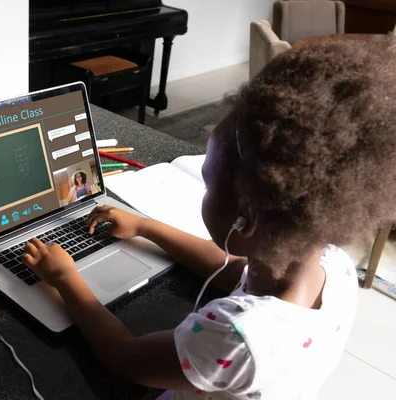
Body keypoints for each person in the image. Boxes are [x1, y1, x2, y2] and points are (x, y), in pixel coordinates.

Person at [24, 37, 396, 399]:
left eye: (207, 184)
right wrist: (146, 227)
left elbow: (124, 358)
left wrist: (65, 278)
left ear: (244, 221)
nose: (204, 190)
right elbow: (236, 269)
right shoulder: (333, 263)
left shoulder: (237, 337)